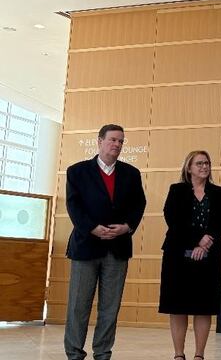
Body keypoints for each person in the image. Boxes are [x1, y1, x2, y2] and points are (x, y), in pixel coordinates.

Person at [64, 124, 146, 360]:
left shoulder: (131, 173)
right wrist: (92, 228)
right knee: (79, 307)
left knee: (109, 309)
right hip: (85, 247)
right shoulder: (77, 171)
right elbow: (73, 205)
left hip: (117, 249)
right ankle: (74, 353)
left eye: (121, 141)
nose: (117, 145)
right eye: (112, 140)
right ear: (99, 141)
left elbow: (138, 205)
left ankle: (102, 353)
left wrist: (127, 227)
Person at [159, 150, 221, 360]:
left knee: (204, 305)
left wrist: (208, 240)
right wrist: (197, 241)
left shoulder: (219, 192)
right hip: (177, 256)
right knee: (178, 305)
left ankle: (199, 355)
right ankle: (179, 354)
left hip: (210, 256)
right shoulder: (177, 190)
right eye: (199, 163)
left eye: (207, 163)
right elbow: (173, 219)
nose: (204, 167)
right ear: (189, 168)